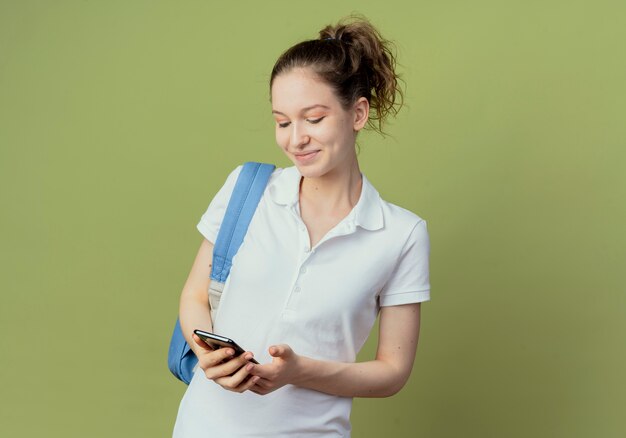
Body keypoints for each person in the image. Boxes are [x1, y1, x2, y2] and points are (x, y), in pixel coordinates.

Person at [172, 15, 430, 438]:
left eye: (313, 118)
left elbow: (393, 372)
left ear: (358, 113)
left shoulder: (401, 234)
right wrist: (208, 355)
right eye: (282, 121)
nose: (296, 139)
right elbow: (195, 294)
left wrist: (300, 371)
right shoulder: (246, 189)